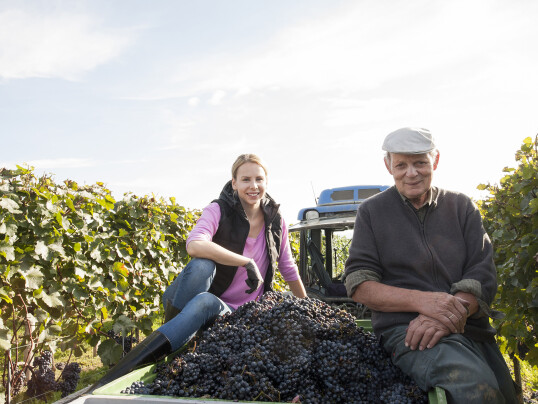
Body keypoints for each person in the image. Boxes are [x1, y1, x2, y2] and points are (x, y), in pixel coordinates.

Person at [91, 153, 306, 391]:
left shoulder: (276, 222)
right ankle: (113, 379)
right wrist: (246, 261)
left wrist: (310, 311)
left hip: (240, 313)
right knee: (202, 268)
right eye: (246, 179)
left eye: (259, 179)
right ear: (234, 183)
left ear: (266, 182)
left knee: (207, 302)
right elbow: (194, 244)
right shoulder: (218, 210)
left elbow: (288, 267)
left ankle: (174, 338)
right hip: (200, 300)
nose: (253, 186)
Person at [344, 128, 518, 403]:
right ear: (388, 166)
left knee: (507, 396)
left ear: (435, 162)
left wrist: (446, 313)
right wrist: (424, 302)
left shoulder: (461, 207)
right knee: (476, 388)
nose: (411, 172)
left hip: (469, 327)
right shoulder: (372, 212)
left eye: (420, 162)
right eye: (401, 164)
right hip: (409, 331)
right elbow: (360, 284)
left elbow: (481, 272)